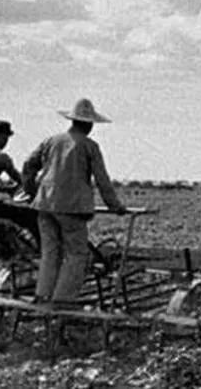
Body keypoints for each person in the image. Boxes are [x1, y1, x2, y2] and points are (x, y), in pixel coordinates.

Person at [22, 98, 128, 307]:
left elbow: (28, 165)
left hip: (44, 205)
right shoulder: (89, 146)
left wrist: (32, 191)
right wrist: (115, 206)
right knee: (76, 253)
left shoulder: (51, 141)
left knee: (50, 251)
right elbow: (102, 180)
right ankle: (63, 300)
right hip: (71, 208)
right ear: (88, 124)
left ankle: (43, 295)